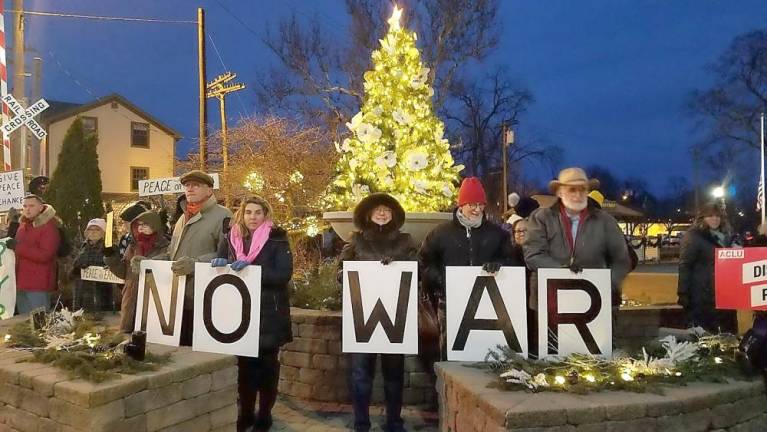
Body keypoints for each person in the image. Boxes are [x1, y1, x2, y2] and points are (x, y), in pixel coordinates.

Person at [524, 167, 631, 353]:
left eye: (582, 189)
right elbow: (533, 255)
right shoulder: (541, 218)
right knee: (550, 360)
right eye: (572, 189)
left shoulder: (605, 221)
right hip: (550, 302)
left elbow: (622, 259)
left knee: (595, 360)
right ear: (559, 191)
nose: (578, 194)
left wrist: (605, 285)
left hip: (594, 304)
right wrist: (562, 271)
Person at [211, 196, 292, 432]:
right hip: (241, 314)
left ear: (265, 214)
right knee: (245, 370)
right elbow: (225, 265)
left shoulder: (277, 238)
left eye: (258, 212)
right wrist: (220, 264)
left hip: (270, 314)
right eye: (248, 212)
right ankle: (245, 413)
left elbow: (283, 275)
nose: (253, 217)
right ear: (242, 214)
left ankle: (264, 414)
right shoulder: (231, 237)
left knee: (267, 369)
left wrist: (253, 271)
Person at [337, 193, 416, 432]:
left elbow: (417, 270)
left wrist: (398, 266)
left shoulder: (405, 241)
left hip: (395, 315)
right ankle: (361, 422)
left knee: (394, 374)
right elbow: (340, 272)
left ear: (394, 214)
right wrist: (360, 270)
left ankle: (394, 421)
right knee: (361, 373)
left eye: (387, 210)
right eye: (378, 210)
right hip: (364, 315)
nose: (382, 213)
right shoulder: (356, 240)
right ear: (369, 214)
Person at [419, 177, 518, 360]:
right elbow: (425, 262)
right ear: (461, 205)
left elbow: (511, 260)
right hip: (450, 301)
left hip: (489, 301)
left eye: (480, 204)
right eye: (472, 204)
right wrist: (442, 281)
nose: (477, 209)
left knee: (487, 350)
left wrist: (500, 266)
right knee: (451, 351)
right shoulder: (440, 233)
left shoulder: (497, 235)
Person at [151, 170, 231, 346]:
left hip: (203, 297)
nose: (190, 189)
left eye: (196, 185)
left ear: (209, 190)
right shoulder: (183, 218)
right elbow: (173, 253)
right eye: (187, 186)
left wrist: (195, 264)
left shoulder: (223, 215)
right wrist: (150, 262)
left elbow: (227, 254)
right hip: (177, 296)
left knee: (200, 353)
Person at [105, 210, 169, 333]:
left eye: (146, 224)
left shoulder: (165, 246)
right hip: (131, 298)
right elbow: (123, 272)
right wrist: (111, 258)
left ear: (155, 225)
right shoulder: (133, 246)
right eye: (139, 225)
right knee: (128, 337)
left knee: (150, 336)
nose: (141, 227)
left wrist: (147, 263)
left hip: (153, 298)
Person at [677, 202, 737, 333]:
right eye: (710, 216)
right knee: (705, 334)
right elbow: (685, 265)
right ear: (702, 218)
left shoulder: (728, 238)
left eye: (717, 216)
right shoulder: (694, 236)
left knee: (727, 333)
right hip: (702, 295)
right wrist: (683, 293)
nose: (715, 219)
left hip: (725, 293)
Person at [6, 195, 61, 314]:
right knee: (24, 323)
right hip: (20, 282)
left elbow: (45, 255)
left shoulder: (48, 227)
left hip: (38, 284)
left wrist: (18, 247)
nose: (27, 209)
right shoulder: (23, 226)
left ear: (41, 207)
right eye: (25, 206)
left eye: (31, 206)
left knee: (39, 324)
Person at [72, 218, 112, 313]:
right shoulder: (81, 246)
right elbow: (73, 268)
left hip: (100, 292)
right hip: (81, 291)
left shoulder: (108, 248)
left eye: (97, 229)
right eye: (90, 229)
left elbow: (109, 265)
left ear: (103, 232)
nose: (93, 232)